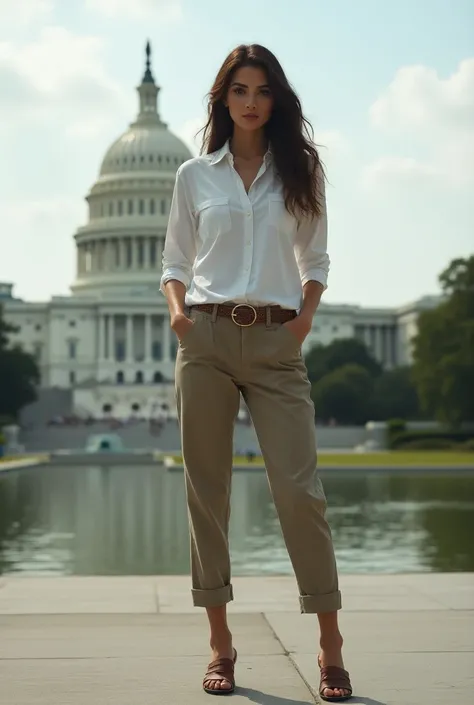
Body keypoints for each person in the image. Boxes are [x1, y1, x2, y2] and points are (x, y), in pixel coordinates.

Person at [161, 44, 352, 702]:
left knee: (300, 491)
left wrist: (301, 321)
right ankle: (220, 644)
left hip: (275, 340)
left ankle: (329, 643)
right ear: (223, 100)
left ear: (277, 100)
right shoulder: (194, 175)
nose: (250, 101)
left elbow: (316, 256)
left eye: (262, 90)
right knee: (206, 497)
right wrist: (181, 316)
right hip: (206, 338)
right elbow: (175, 260)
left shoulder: (298, 172)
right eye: (238, 90)